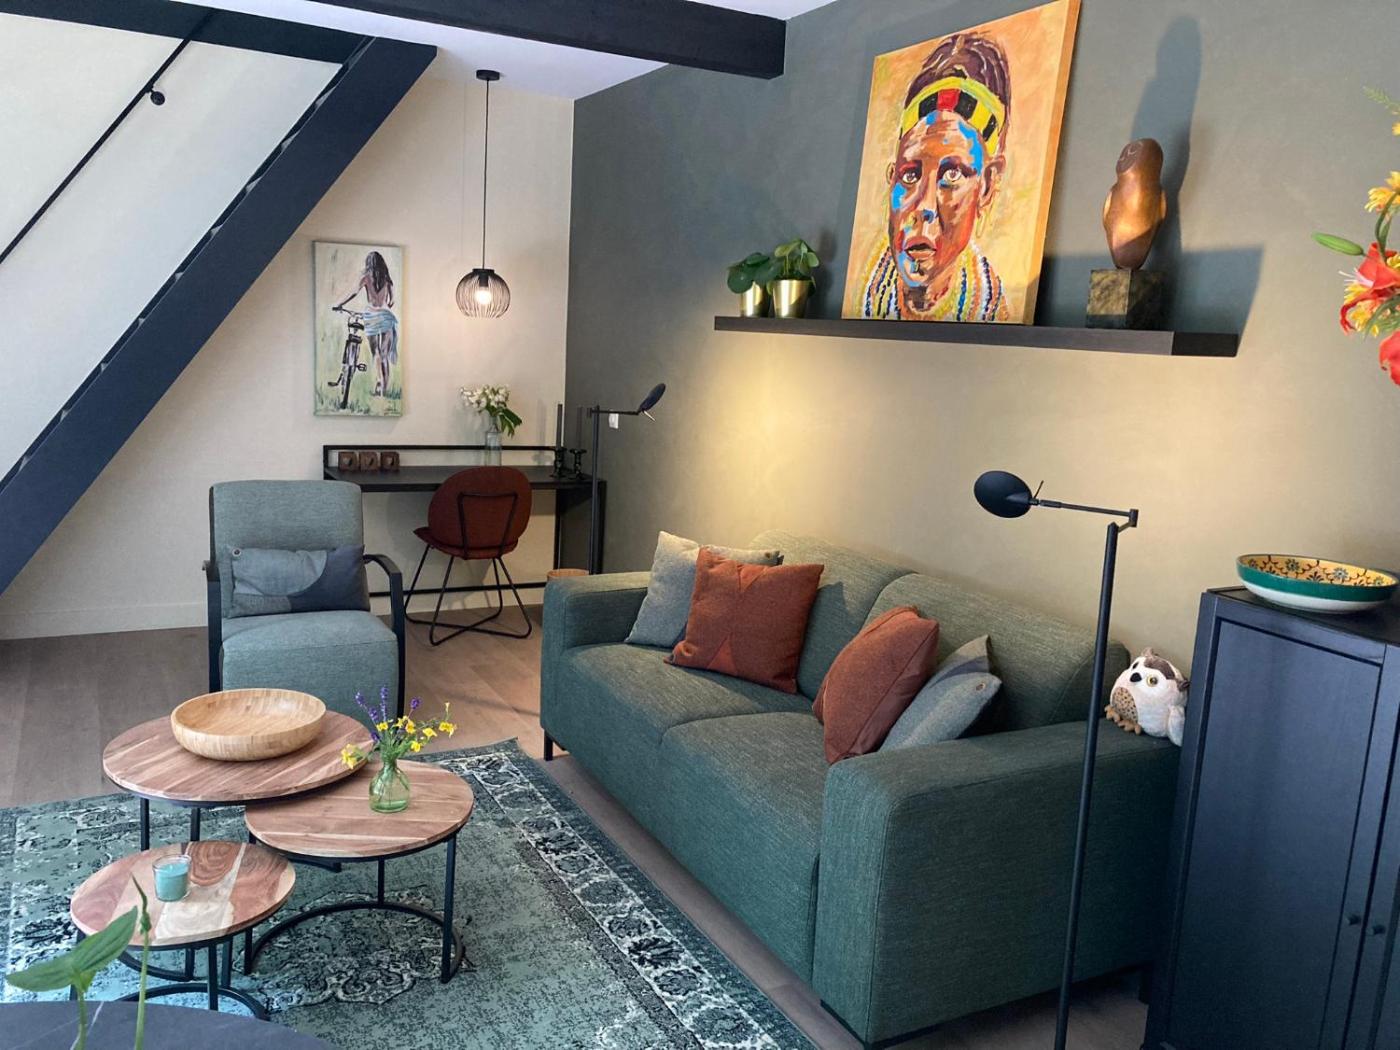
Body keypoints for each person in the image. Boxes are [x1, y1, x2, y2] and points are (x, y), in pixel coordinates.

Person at [858, 33, 1011, 322]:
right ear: (892, 179)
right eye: (910, 175)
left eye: (952, 174)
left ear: (987, 186)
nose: (924, 206)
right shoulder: (866, 292)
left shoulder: (993, 310)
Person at [334, 251, 398, 398]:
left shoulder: (366, 277)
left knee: (376, 354)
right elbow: (392, 300)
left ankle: (379, 383)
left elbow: (353, 293)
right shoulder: (387, 279)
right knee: (384, 355)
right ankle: (384, 389)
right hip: (386, 317)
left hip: (371, 317)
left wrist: (339, 304)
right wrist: (385, 306)